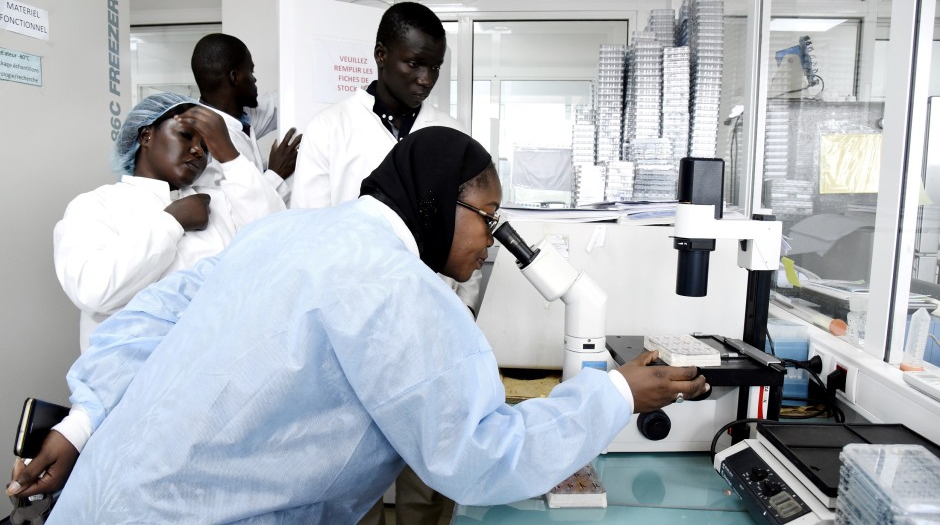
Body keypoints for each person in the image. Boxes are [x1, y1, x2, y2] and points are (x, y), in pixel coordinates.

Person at [11, 127, 708, 523]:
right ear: (438, 203)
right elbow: (479, 456)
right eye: (486, 217)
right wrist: (618, 394)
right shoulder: (399, 289)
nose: (490, 240)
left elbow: (148, 319)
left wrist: (82, 421)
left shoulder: (282, 233)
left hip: (101, 499)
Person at [40, 92, 286, 480]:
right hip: (129, 406)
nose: (197, 152)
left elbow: (275, 247)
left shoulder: (216, 204)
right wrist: (170, 223)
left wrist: (232, 157)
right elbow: (94, 288)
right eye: (187, 136)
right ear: (146, 135)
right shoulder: (98, 206)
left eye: (205, 146)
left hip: (220, 406)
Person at [291, 7, 474, 518]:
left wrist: (464, 310)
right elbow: (309, 235)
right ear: (380, 55)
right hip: (353, 329)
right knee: (351, 472)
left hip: (431, 324)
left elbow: (473, 229)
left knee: (431, 468)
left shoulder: (451, 133)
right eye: (415, 63)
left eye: (435, 67)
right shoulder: (331, 130)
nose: (425, 78)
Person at [190, 33, 303, 204]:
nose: (254, 78)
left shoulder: (238, 117)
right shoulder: (200, 144)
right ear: (235, 77)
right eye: (251, 70)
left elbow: (279, 101)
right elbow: (232, 213)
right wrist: (276, 174)